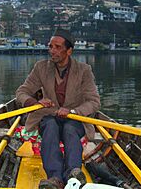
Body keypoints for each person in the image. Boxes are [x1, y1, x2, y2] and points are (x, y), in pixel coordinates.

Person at [16, 28, 101, 189]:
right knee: (50, 126)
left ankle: (72, 175)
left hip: (75, 120)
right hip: (48, 116)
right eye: (50, 46)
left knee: (69, 128)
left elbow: (94, 102)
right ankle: (55, 178)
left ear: (69, 51)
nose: (52, 51)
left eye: (57, 47)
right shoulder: (41, 67)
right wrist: (34, 103)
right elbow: (22, 92)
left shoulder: (84, 70)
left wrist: (73, 112)